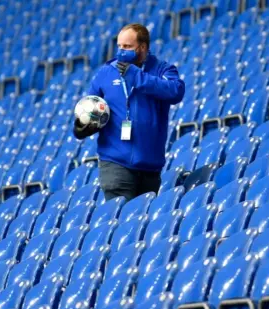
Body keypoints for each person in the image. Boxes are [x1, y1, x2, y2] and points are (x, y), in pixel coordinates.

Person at [73, 23, 185, 201]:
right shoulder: (106, 73)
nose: (121, 51)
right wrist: (81, 126)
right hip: (115, 163)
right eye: (119, 46)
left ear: (142, 47)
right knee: (122, 217)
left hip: (150, 166)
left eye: (127, 47)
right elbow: (90, 105)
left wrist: (136, 77)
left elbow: (175, 92)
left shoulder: (163, 70)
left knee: (142, 221)